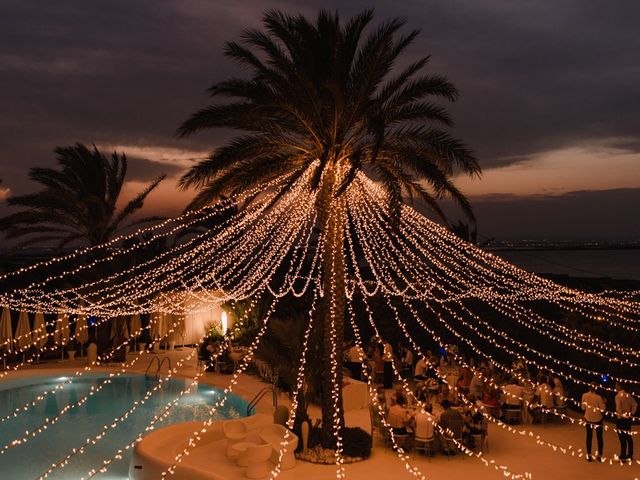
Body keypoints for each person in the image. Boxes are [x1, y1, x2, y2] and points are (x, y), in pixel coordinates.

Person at [581, 383, 606, 462]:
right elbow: (602, 410)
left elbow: (583, 408)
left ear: (589, 388)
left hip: (588, 418)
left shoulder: (584, 395)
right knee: (599, 437)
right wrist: (604, 403)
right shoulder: (599, 397)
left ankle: (589, 455)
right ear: (596, 388)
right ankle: (600, 455)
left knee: (589, 437)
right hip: (598, 419)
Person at [615, 382, 637, 462]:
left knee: (622, 438)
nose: (615, 386)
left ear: (620, 386)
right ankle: (630, 455)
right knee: (628, 436)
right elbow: (635, 404)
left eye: (616, 385)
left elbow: (618, 408)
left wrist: (620, 415)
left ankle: (623, 456)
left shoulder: (617, 396)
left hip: (621, 419)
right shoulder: (628, 395)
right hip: (628, 419)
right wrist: (631, 413)